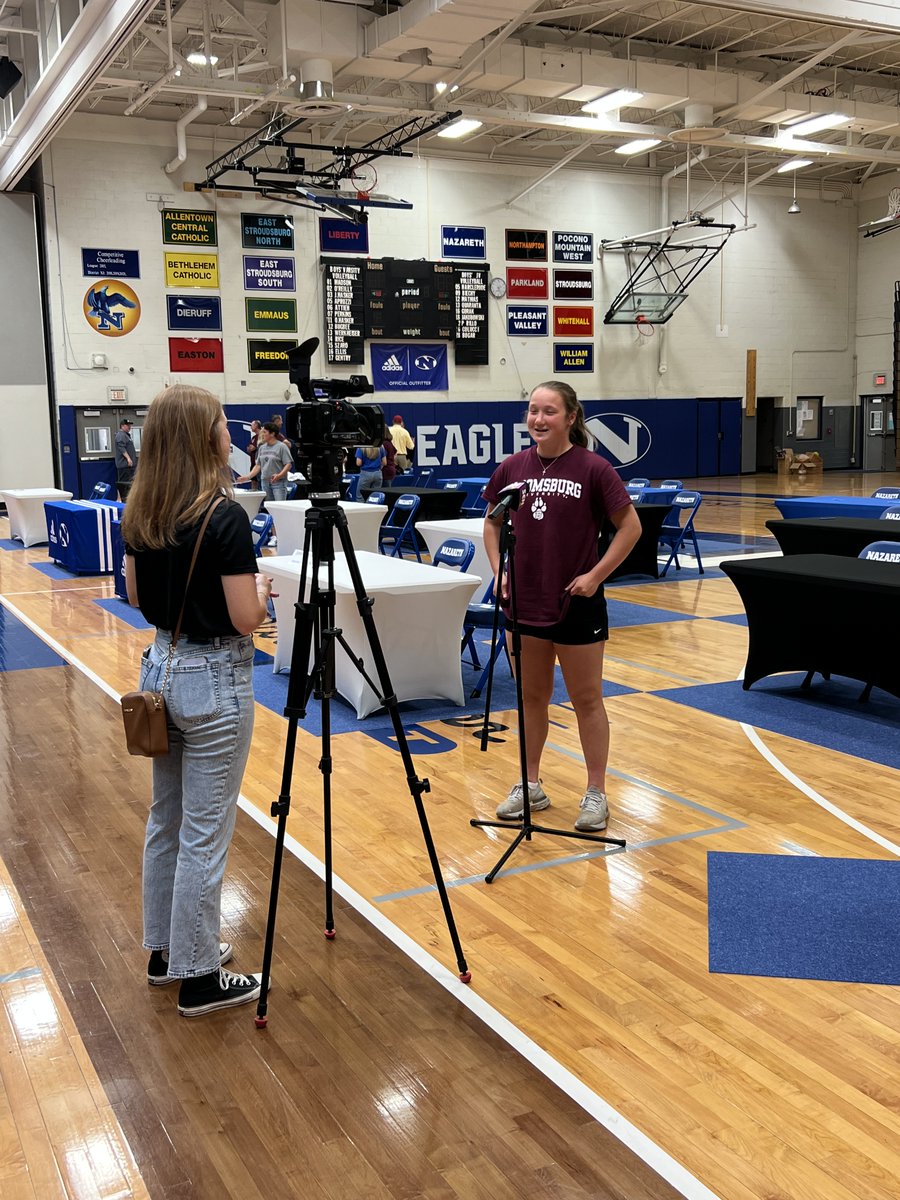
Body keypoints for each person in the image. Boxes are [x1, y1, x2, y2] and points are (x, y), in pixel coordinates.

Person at [122, 384, 273, 1017]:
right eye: (222, 424)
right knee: (205, 833)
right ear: (205, 436)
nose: (229, 434)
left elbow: (136, 598)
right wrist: (261, 592)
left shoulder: (141, 510)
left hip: (160, 666)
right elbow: (245, 619)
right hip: (213, 678)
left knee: (168, 821)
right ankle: (200, 976)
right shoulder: (223, 516)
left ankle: (169, 953)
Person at [482, 381, 641, 833]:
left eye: (549, 411)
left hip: (576, 603)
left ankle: (596, 792)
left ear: (571, 417)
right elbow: (491, 525)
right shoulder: (513, 467)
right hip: (523, 602)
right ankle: (530, 783)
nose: (538, 419)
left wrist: (595, 576)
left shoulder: (594, 468)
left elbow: (630, 528)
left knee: (586, 700)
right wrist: (500, 571)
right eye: (533, 410)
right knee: (531, 697)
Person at [235, 422, 293, 501]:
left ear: (272, 434)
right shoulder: (262, 448)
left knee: (279, 505)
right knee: (268, 505)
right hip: (265, 482)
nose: (262, 435)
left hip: (278, 482)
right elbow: (258, 465)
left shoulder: (282, 447)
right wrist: (247, 477)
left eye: (265, 432)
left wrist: (279, 475)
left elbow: (288, 464)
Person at [115, 418, 137, 500]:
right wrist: (128, 458)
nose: (129, 427)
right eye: (127, 425)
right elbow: (121, 448)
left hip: (129, 466)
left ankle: (125, 499)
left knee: (128, 483)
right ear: (122, 426)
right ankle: (121, 499)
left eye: (130, 425)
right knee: (123, 484)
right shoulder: (121, 435)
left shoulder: (126, 435)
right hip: (124, 465)